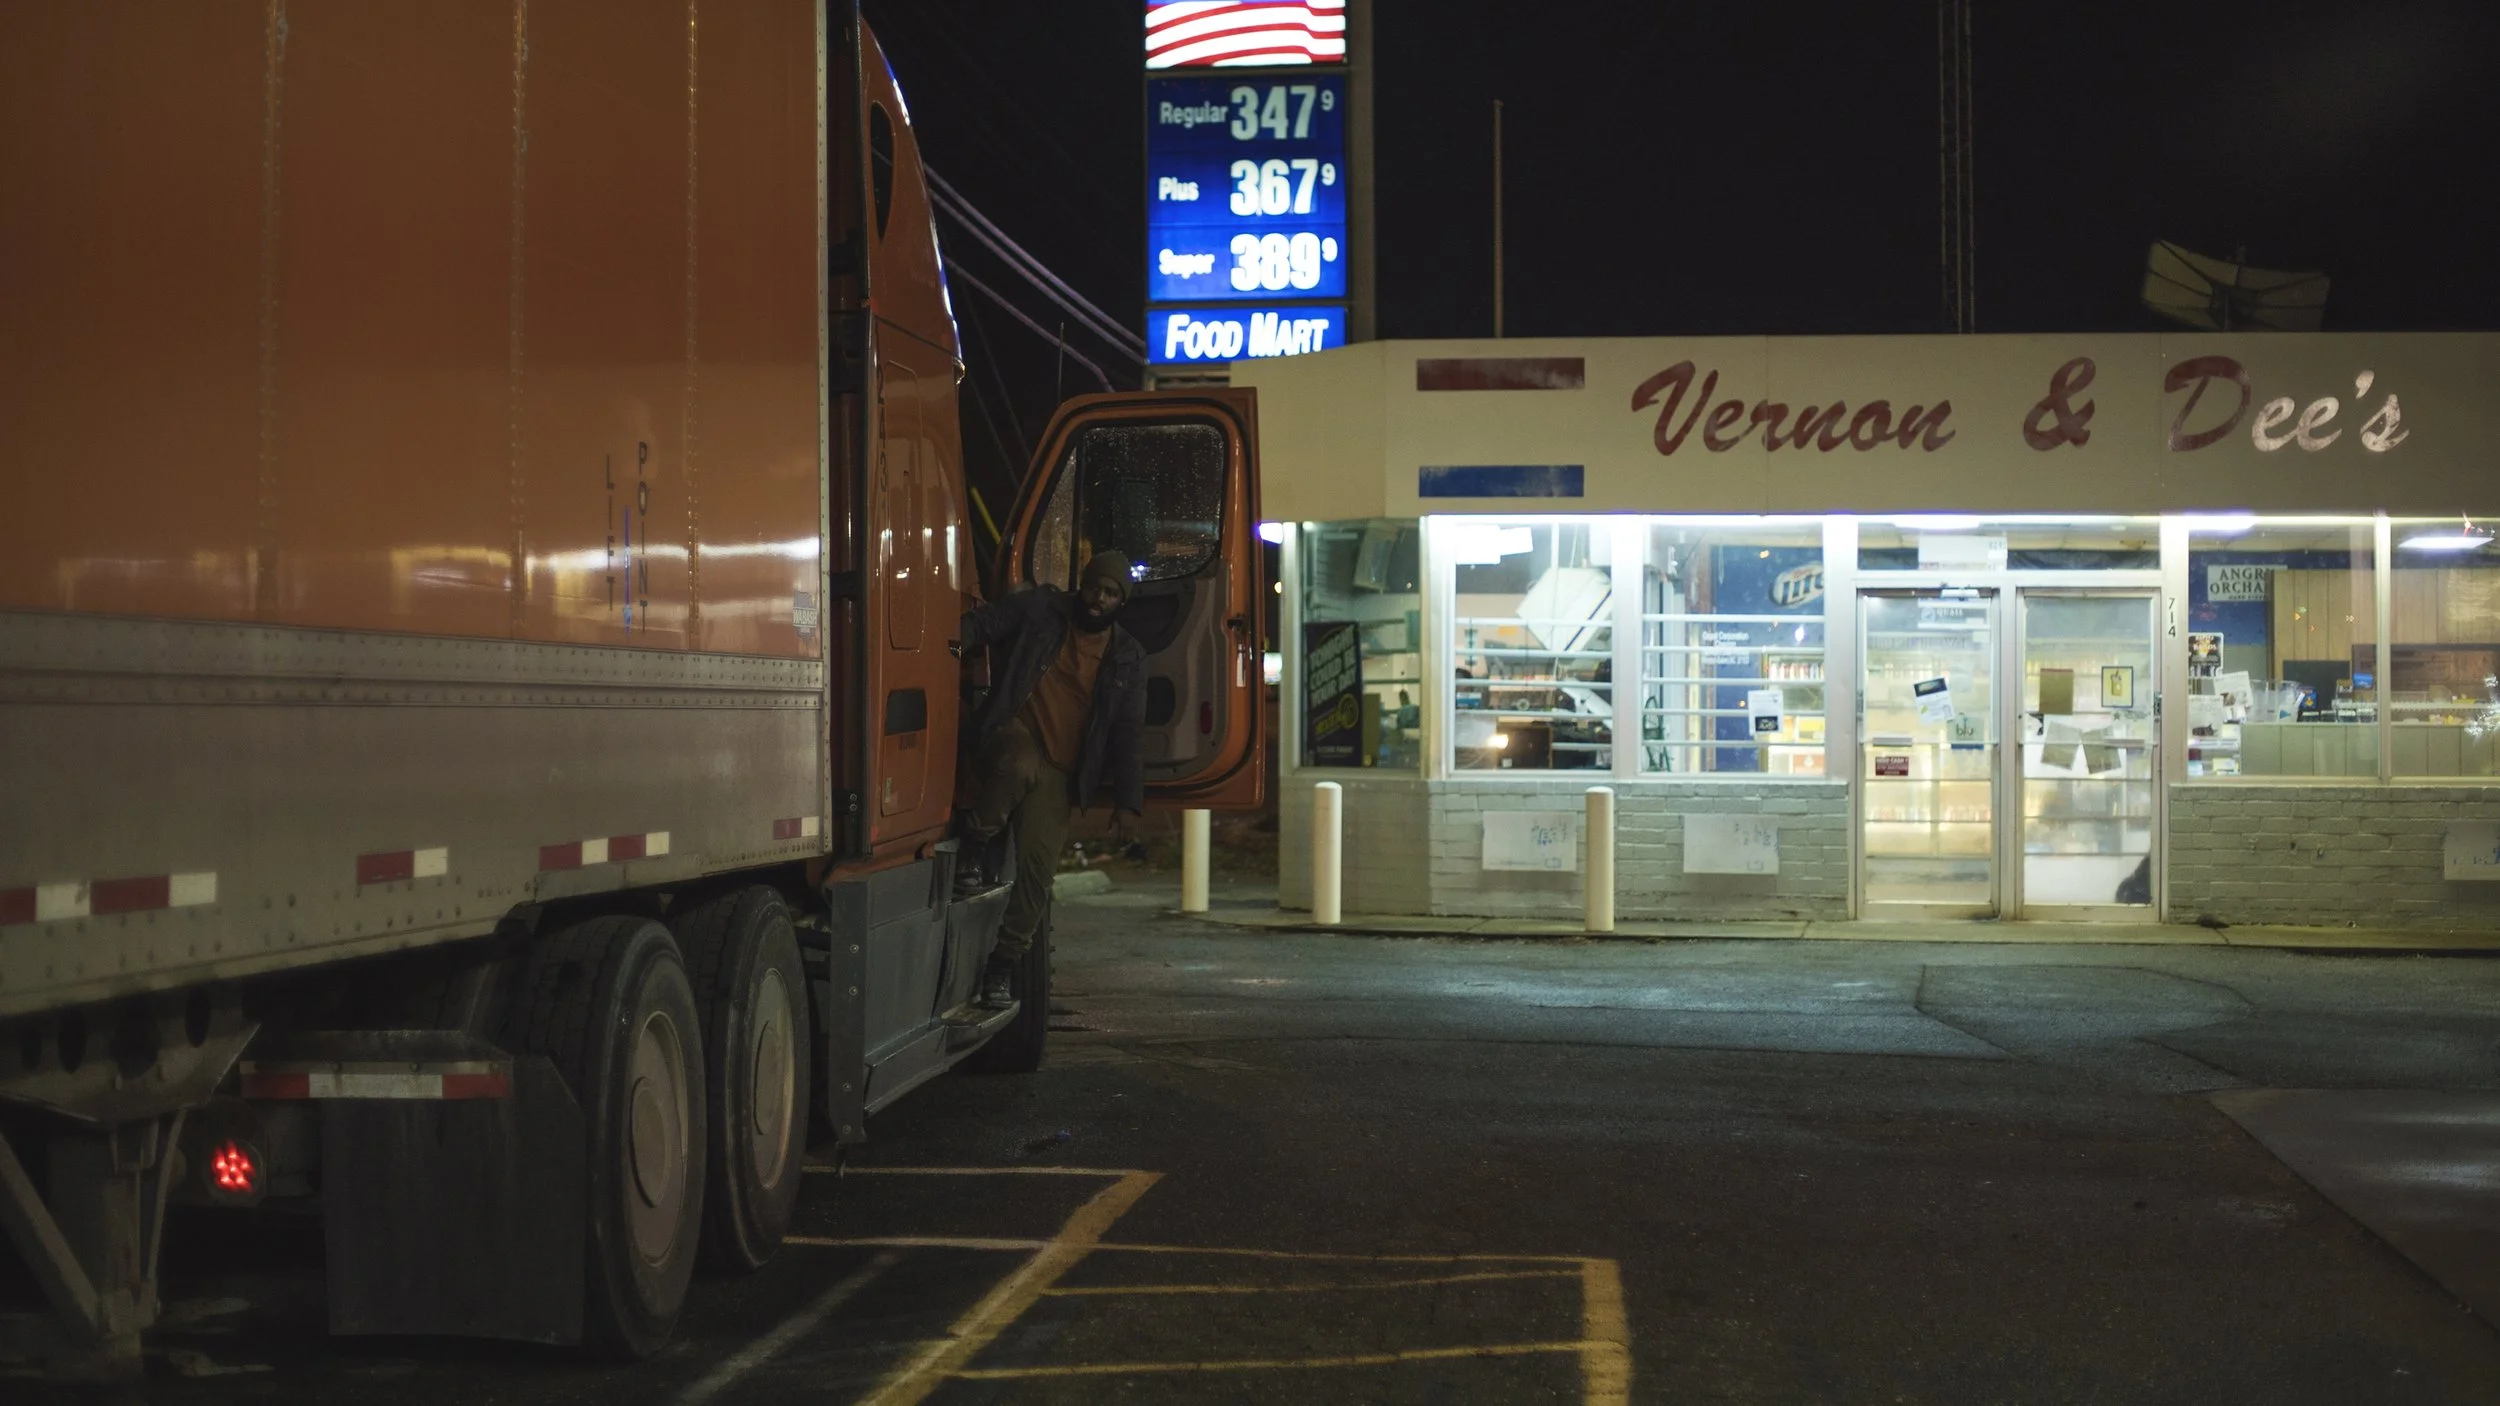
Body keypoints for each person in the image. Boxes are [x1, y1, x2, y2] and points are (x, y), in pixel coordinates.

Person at [956, 551, 1147, 1008]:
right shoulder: (1041, 610)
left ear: (1122, 600)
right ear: (1081, 585)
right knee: (1018, 765)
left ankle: (1003, 964)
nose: (1098, 599)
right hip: (1013, 730)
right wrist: (942, 646)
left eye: (1110, 593)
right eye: (1093, 587)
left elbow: (1127, 733)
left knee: (1038, 877)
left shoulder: (1127, 656)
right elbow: (985, 624)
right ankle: (974, 845)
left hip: (1061, 770)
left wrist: (1128, 804)